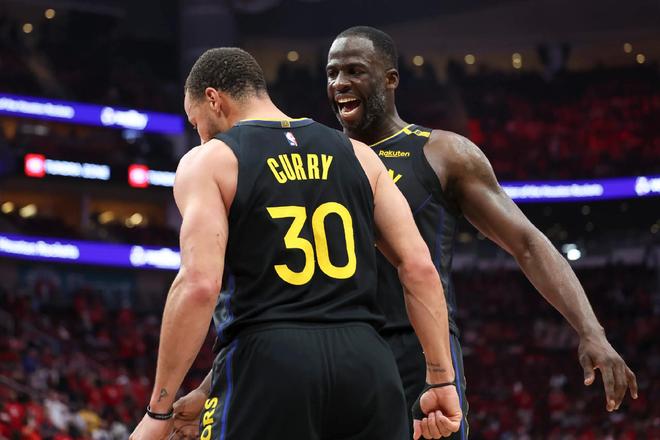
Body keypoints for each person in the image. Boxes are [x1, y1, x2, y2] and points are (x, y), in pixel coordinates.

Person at [130, 47, 461, 440]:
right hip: (367, 362)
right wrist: (441, 379)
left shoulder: (209, 161)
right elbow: (419, 267)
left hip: (267, 364)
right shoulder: (360, 155)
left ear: (213, 99)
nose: (199, 135)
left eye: (195, 121)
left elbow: (199, 285)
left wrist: (159, 409)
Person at [324, 26, 639, 438]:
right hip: (338, 350)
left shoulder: (443, 153)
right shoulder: (318, 157)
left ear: (390, 79)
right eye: (332, 73)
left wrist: (591, 331)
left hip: (421, 354)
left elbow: (527, 243)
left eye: (354, 70)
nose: (339, 82)